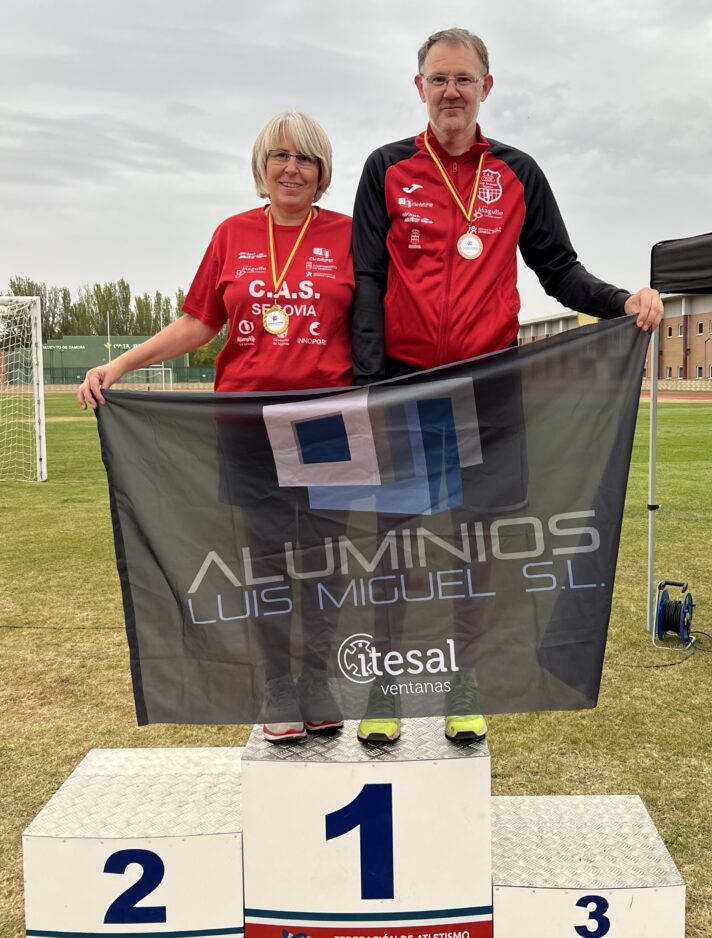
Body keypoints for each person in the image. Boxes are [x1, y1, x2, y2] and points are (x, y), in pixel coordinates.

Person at [351, 28, 664, 745]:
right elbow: (367, 279)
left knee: (473, 548)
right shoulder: (387, 169)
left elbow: (559, 268)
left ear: (487, 87)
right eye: (438, 79)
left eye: (464, 79)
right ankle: (387, 686)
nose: (451, 91)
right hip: (404, 387)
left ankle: (464, 680)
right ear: (419, 87)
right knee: (395, 547)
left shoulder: (517, 173)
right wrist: (372, 383)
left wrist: (621, 300)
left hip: (488, 388)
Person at [78, 111, 354, 743]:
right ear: (262, 167)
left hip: (328, 422)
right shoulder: (232, 234)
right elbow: (199, 323)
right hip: (247, 422)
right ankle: (278, 689)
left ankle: (318, 684)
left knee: (325, 563)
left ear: (322, 171)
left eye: (306, 158)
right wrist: (120, 363)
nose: (292, 168)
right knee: (266, 563)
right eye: (280, 156)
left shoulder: (348, 234)